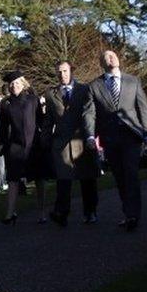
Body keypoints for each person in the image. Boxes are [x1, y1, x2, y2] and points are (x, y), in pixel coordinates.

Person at [84, 50, 147, 231]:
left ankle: (133, 215)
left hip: (131, 136)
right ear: (101, 62)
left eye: (113, 54)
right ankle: (128, 212)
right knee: (120, 176)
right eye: (106, 56)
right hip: (110, 137)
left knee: (131, 173)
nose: (111, 57)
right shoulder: (94, 86)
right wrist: (91, 135)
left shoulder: (133, 81)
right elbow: (89, 113)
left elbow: (143, 108)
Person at [41, 62, 99, 225]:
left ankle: (90, 211)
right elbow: (49, 119)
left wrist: (90, 136)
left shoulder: (84, 89)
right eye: (59, 72)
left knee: (87, 178)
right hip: (62, 142)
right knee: (63, 179)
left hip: (82, 139)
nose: (62, 75)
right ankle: (62, 213)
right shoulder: (51, 94)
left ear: (71, 71)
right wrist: (44, 140)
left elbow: (89, 113)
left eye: (65, 71)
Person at [0, 72, 47, 224]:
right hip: (15, 146)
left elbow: (41, 121)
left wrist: (44, 140)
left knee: (39, 179)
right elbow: (2, 128)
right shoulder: (4, 105)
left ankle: (42, 212)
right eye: (11, 84)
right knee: (13, 180)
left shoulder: (33, 100)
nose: (14, 86)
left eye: (17, 83)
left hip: (34, 145)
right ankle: (10, 213)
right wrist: (1, 146)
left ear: (23, 83)